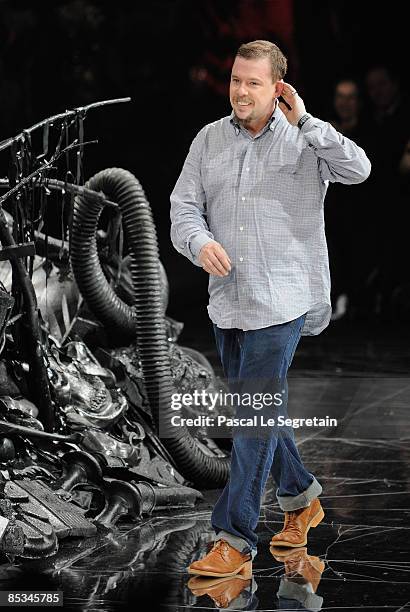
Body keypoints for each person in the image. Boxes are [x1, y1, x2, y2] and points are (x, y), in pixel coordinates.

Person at [170, 40, 371, 578]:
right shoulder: (209, 139)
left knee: (251, 419)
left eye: (252, 83)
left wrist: (307, 121)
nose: (240, 91)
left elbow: (360, 169)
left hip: (283, 298)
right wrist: (197, 242)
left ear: (278, 88)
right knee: (256, 412)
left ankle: (234, 538)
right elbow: (182, 207)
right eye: (236, 80)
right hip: (228, 302)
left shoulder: (306, 142)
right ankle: (301, 496)